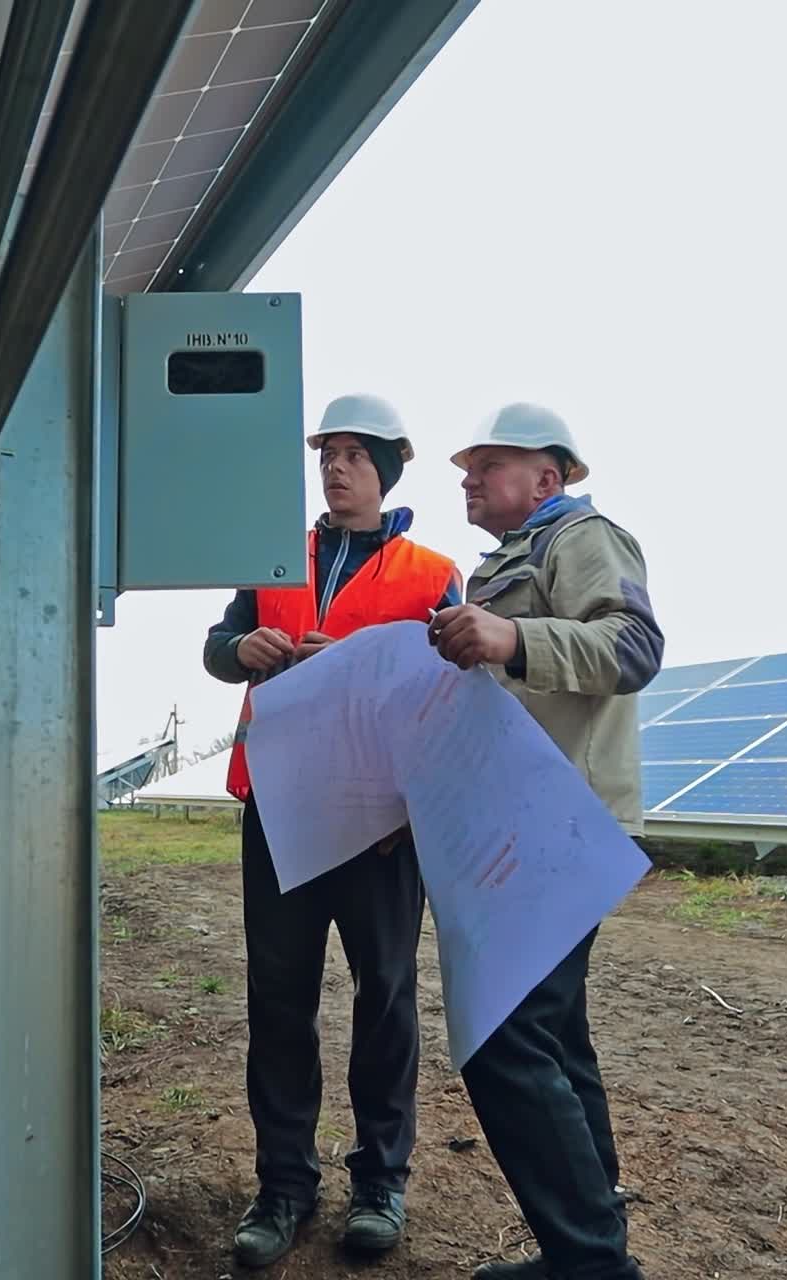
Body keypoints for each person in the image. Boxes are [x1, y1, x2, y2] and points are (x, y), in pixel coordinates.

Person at [204, 394, 461, 1269]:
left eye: (354, 454)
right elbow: (218, 644)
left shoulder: (432, 573)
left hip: (380, 821)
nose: (336, 468)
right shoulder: (273, 556)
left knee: (385, 996)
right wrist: (240, 650)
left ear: (386, 471)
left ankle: (380, 1183)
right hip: (279, 810)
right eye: (327, 454)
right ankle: (284, 1185)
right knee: (279, 1001)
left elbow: (450, 691)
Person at [428, 402, 663, 1280]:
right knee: (554, 1036)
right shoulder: (500, 565)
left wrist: (512, 635)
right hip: (522, 817)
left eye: (487, 465)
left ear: (547, 478)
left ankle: (590, 1260)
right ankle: (588, 1248)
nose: (468, 478)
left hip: (566, 818)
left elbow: (633, 647)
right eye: (468, 468)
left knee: (506, 1036)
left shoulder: (583, 537)